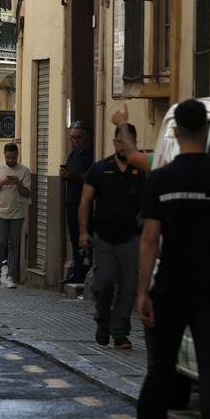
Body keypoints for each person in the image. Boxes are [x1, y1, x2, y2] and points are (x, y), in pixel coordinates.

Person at [128, 99, 210, 419]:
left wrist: (142, 290)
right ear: (207, 131)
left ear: (175, 131)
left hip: (172, 287)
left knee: (162, 367)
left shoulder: (161, 180)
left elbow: (149, 239)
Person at [79, 124, 147, 350]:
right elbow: (85, 202)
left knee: (128, 287)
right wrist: (83, 232)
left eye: (125, 142)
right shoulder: (100, 169)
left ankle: (120, 333)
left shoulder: (142, 170)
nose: (121, 145)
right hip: (104, 238)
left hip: (131, 237)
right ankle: (103, 320)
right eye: (118, 141)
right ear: (114, 142)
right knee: (104, 282)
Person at [0, 142, 32, 288]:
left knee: (14, 245)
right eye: (8, 157)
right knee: (0, 243)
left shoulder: (24, 171)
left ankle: (10, 277)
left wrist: (18, 184)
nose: (11, 161)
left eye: (13, 158)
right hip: (0, 212)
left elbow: (27, 193)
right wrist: (2, 183)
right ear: (4, 155)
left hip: (17, 214)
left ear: (17, 156)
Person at [61, 123, 94, 283]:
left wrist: (76, 176)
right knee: (74, 237)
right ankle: (78, 271)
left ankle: (89, 269)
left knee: (88, 236)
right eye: (72, 137)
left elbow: (91, 178)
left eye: (77, 137)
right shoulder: (73, 155)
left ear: (87, 137)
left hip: (87, 203)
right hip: (72, 201)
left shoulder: (93, 155)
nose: (74, 141)